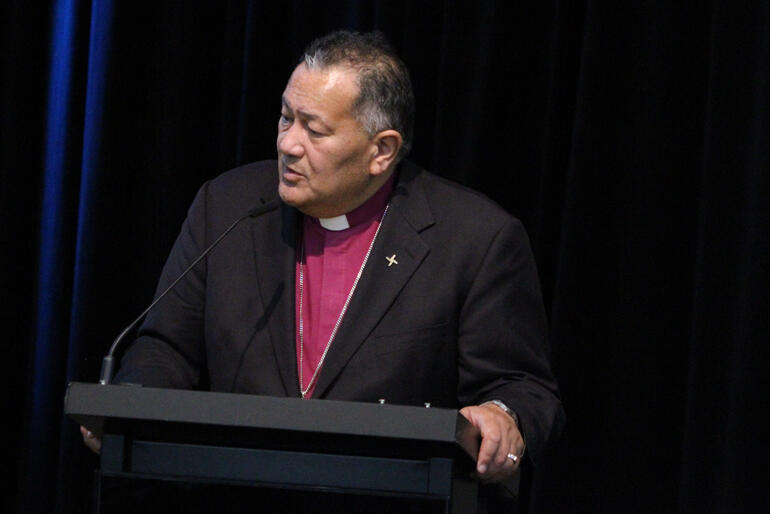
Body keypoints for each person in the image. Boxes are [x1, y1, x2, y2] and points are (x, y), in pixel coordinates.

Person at [82, 30, 564, 487]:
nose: (287, 144)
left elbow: (523, 387)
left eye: (314, 129)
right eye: (285, 118)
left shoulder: (475, 239)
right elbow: (167, 348)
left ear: (382, 151)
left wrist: (503, 415)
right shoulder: (226, 207)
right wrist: (129, 403)